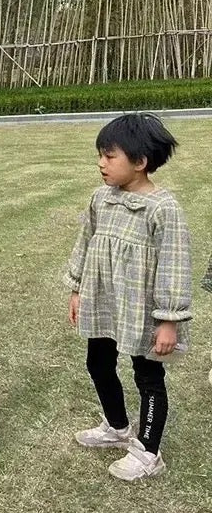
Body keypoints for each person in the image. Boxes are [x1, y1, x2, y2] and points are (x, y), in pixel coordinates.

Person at [65, 113, 191, 481]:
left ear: (140, 162)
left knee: (147, 376)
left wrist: (168, 320)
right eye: (100, 155)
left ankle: (149, 451)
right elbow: (84, 245)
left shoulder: (163, 209)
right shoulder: (100, 200)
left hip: (143, 311)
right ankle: (117, 426)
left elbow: (174, 265)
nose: (101, 163)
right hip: (105, 302)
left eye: (110, 156)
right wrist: (77, 289)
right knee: (98, 363)